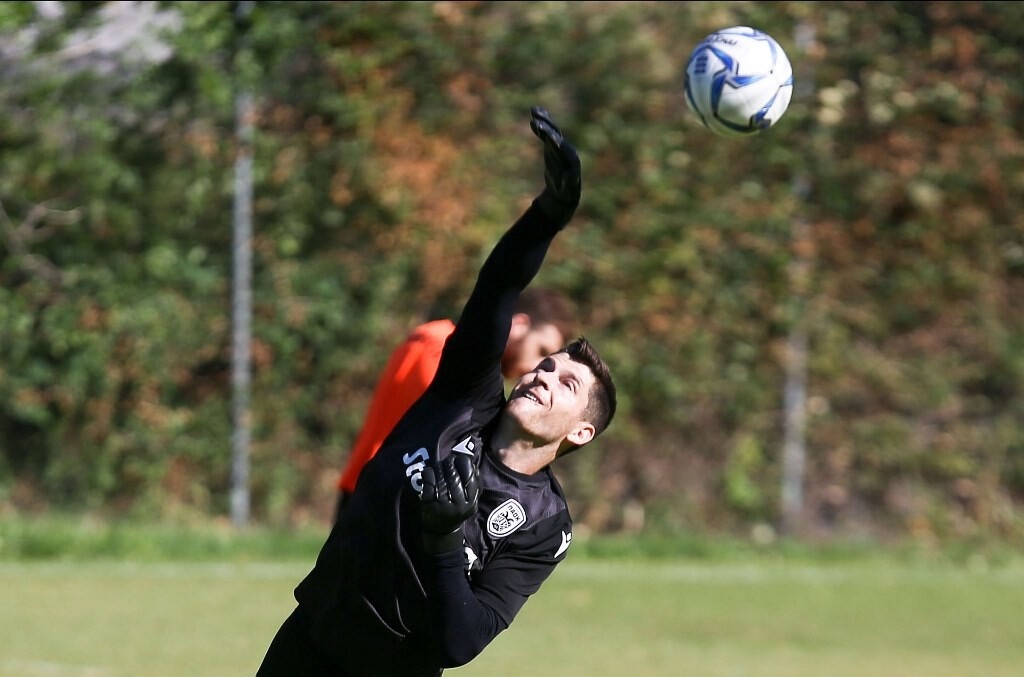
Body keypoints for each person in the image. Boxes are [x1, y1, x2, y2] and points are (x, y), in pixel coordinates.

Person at [257, 106, 617, 677]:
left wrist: (445, 538)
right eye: (546, 366)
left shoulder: (545, 522)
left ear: (581, 431)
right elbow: (498, 286)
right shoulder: (465, 397)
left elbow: (461, 644)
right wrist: (547, 215)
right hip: (310, 636)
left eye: (567, 382)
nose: (545, 375)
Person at [334, 286, 577, 522]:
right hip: (381, 496)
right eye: (540, 351)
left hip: (376, 487)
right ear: (520, 325)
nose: (534, 368)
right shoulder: (439, 344)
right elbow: (456, 415)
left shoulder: (434, 340)